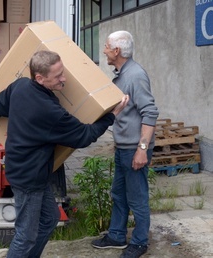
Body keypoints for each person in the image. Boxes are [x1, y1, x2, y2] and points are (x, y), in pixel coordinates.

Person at [0, 50, 129, 258]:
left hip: (31, 171)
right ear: (40, 78)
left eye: (62, 72)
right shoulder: (48, 111)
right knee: (25, 235)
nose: (64, 78)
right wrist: (112, 115)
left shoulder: (21, 86)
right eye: (58, 76)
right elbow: (84, 136)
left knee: (50, 218)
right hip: (29, 178)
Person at [91, 31, 159, 258]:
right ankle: (117, 235)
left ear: (117, 51)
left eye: (107, 47)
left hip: (134, 149)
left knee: (137, 197)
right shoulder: (122, 75)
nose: (104, 51)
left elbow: (149, 113)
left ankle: (140, 242)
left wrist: (142, 150)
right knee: (118, 194)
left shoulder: (135, 75)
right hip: (124, 148)